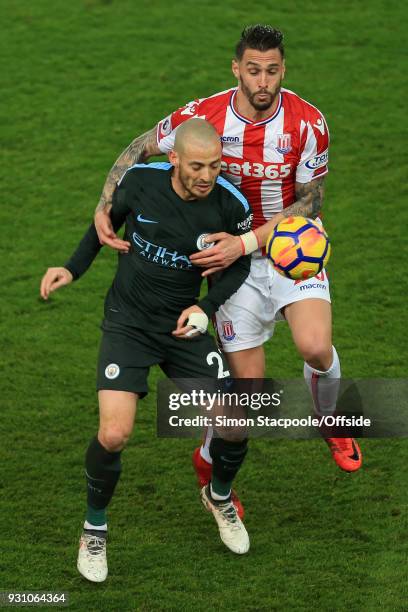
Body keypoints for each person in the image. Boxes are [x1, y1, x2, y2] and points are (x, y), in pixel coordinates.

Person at [93, 24, 362, 513]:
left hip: (288, 250)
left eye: (273, 71)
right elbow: (140, 147)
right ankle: (209, 461)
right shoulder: (204, 115)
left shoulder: (308, 123)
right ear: (237, 68)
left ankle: (332, 421)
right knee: (248, 399)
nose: (264, 82)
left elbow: (311, 198)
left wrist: (247, 241)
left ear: (284, 70)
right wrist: (104, 203)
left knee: (317, 348)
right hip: (228, 265)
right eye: (254, 70)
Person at [40, 120, 254, 583]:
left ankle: (219, 496)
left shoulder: (229, 204)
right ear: (174, 158)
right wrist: (72, 269)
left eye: (215, 165)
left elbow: (239, 265)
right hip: (129, 325)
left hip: (185, 328)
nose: (206, 175)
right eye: (197, 165)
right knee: (114, 434)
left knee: (235, 423)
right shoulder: (140, 182)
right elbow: (104, 227)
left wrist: (205, 305)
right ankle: (94, 529)